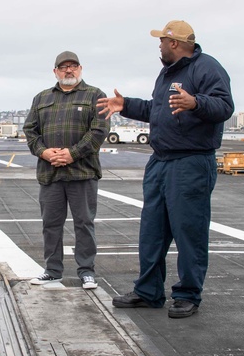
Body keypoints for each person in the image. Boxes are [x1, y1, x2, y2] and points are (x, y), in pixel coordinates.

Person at [97, 20, 233, 318]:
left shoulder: (207, 68)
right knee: (152, 230)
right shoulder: (166, 75)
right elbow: (155, 110)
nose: (158, 45)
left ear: (174, 43)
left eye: (161, 41)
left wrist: (195, 102)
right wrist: (126, 104)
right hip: (161, 160)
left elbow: (224, 107)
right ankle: (149, 291)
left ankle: (188, 294)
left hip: (191, 162)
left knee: (189, 230)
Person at [24, 51, 109, 289]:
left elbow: (99, 131)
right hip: (50, 172)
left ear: (80, 69)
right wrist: (44, 152)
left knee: (84, 223)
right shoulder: (41, 98)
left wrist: (72, 153)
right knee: (51, 223)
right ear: (55, 72)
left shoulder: (95, 95)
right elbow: (30, 131)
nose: (68, 70)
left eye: (73, 66)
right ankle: (52, 270)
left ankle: (87, 271)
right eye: (63, 67)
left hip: (83, 172)